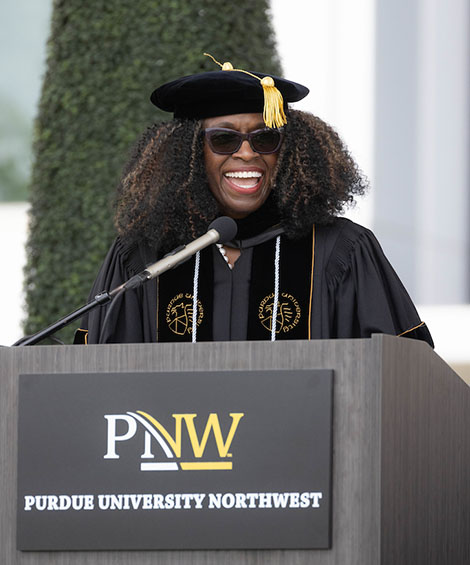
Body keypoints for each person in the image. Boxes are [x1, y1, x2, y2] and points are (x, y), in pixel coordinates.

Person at [77, 55, 433, 347]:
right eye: (223, 140)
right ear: (189, 154)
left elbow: (405, 374)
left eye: (265, 139)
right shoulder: (142, 259)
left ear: (289, 151)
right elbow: (97, 380)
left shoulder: (340, 250)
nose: (246, 153)